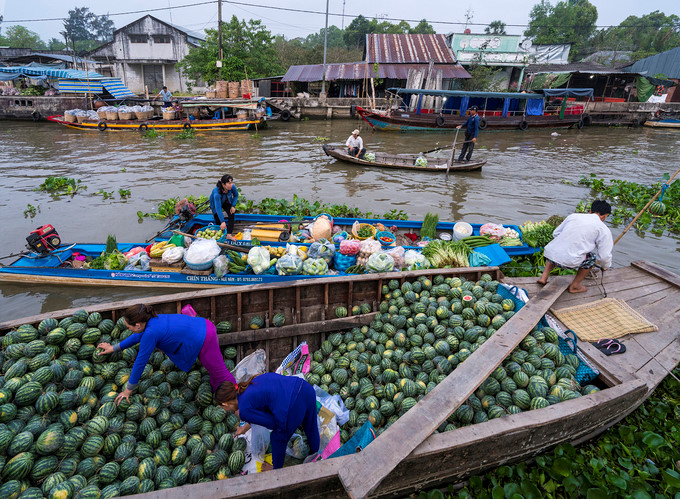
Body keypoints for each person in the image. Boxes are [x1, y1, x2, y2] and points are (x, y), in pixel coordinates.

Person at [97, 304, 236, 404]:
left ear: (138, 325)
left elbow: (140, 362)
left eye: (129, 327)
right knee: (213, 371)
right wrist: (114, 348)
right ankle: (217, 393)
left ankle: (238, 399)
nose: (129, 330)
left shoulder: (151, 332)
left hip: (205, 337)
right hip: (200, 330)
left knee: (221, 373)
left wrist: (128, 390)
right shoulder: (152, 320)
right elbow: (137, 337)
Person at [215, 373, 320, 470]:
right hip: (305, 389)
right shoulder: (250, 383)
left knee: (277, 437)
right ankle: (316, 452)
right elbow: (261, 406)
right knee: (310, 425)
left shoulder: (244, 410)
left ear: (225, 404)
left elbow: (273, 423)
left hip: (293, 406)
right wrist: (244, 428)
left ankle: (275, 470)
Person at [537, 200, 613, 294]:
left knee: (557, 245)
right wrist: (605, 267)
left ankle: (543, 277)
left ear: (590, 211)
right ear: (604, 216)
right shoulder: (603, 229)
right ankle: (575, 286)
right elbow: (604, 256)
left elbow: (555, 233)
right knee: (592, 258)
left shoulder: (573, 216)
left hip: (551, 254)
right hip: (570, 261)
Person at [210, 174, 238, 241]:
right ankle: (221, 235)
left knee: (231, 214)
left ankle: (229, 234)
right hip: (216, 204)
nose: (231, 185)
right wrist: (222, 222)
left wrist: (233, 206)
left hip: (226, 201)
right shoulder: (217, 193)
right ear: (223, 185)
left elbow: (236, 195)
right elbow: (218, 208)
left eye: (231, 182)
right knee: (218, 221)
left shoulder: (232, 187)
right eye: (229, 183)